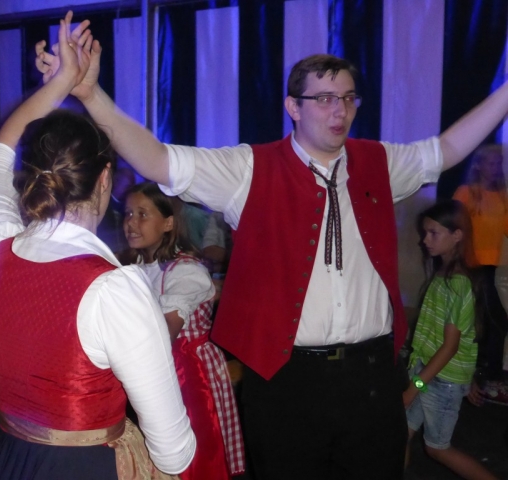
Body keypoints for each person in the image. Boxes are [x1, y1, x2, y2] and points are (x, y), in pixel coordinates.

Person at [35, 27, 508, 478]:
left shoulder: (379, 163)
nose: (340, 110)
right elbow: (157, 159)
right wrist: (91, 95)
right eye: (324, 98)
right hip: (285, 377)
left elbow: (448, 148)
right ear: (293, 106)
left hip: (370, 375)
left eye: (348, 98)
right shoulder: (249, 169)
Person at [0, 13, 195, 479]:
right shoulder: (115, 290)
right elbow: (174, 453)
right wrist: (69, 84)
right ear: (105, 178)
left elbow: (0, 150)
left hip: (3, 459)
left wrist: (59, 83)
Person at [122, 182, 245, 478]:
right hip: (155, 368)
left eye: (142, 214)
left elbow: (165, 334)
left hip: (189, 374)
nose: (131, 222)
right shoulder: (134, 267)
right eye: (128, 214)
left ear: (168, 223)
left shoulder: (186, 271)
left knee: (192, 452)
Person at [404, 200, 497, 480]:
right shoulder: (445, 274)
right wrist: (465, 377)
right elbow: (462, 339)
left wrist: (414, 388)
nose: (425, 240)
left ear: (457, 235)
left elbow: (450, 346)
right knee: (402, 433)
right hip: (431, 374)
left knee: (437, 448)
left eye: (434, 233)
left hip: (437, 380)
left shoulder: (457, 283)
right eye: (425, 233)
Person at [454, 144, 508, 380]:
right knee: (486, 319)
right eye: (491, 163)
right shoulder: (466, 192)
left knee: (489, 318)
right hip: (469, 263)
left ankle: (484, 369)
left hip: (490, 266)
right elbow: (452, 225)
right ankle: (486, 371)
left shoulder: (503, 195)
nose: (496, 167)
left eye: (499, 163)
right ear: (479, 165)